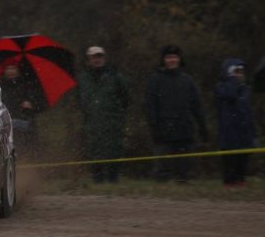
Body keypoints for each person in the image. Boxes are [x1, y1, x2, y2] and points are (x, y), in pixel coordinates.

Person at [144, 45, 208, 182]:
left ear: (179, 59)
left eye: (174, 57)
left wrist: (202, 127)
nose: (172, 60)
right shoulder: (155, 80)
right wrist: (154, 127)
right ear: (163, 60)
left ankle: (182, 187)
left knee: (184, 171)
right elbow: (150, 106)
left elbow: (197, 106)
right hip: (163, 131)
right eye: (168, 57)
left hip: (184, 130)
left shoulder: (187, 80)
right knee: (162, 170)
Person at [76, 46, 130, 183]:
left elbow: (126, 98)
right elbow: (78, 100)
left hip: (112, 122)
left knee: (114, 151)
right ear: (88, 60)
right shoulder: (82, 78)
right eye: (94, 57)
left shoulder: (115, 76)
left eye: (100, 56)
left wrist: (116, 113)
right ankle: (97, 181)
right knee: (94, 152)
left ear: (104, 58)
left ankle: (113, 180)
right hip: (92, 122)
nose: (97, 60)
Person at [214, 59, 257, 187]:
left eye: (241, 72)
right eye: (236, 71)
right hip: (229, 134)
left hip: (244, 133)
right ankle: (229, 185)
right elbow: (229, 95)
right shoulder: (221, 87)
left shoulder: (245, 89)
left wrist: (252, 134)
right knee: (230, 163)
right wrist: (232, 80)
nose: (239, 74)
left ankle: (240, 182)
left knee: (242, 163)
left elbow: (248, 112)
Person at [0, 58, 46, 159]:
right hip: (6, 123)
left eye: (13, 68)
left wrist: (30, 103)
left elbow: (40, 102)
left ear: (18, 70)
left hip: (26, 123)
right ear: (4, 70)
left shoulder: (27, 84)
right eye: (8, 68)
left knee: (29, 149)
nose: (11, 71)